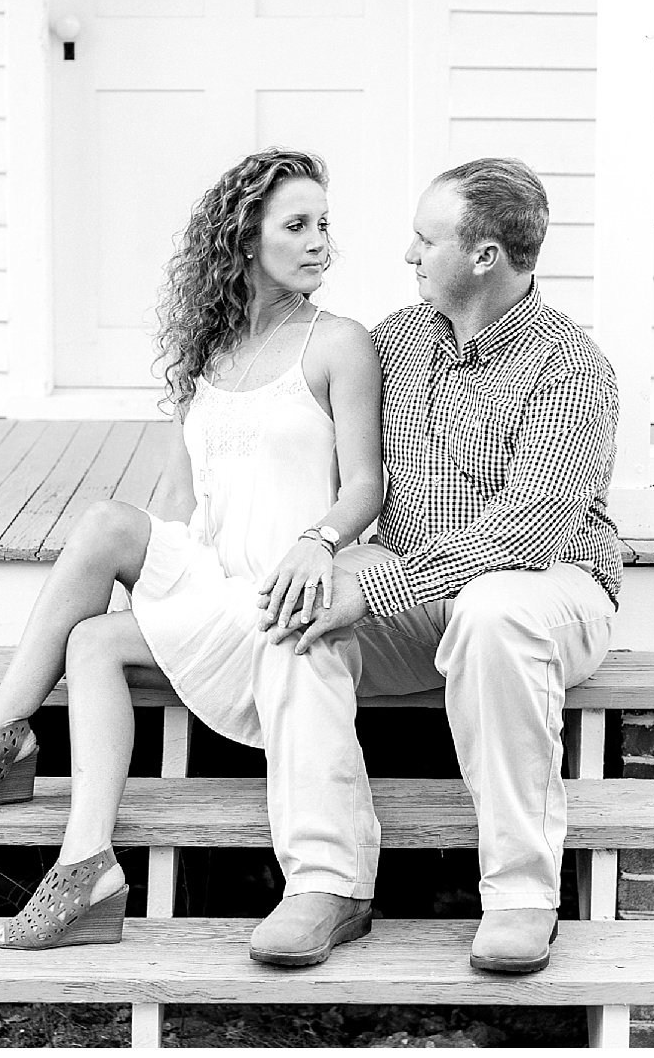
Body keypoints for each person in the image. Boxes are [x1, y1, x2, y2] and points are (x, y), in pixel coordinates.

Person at [0, 148, 384, 951]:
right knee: (102, 563)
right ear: (245, 240)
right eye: (298, 225)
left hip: (282, 594)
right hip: (211, 578)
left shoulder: (338, 342)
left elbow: (365, 486)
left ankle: (6, 751)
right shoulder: (209, 353)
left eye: (324, 225)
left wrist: (321, 540)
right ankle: (81, 856)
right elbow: (178, 500)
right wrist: (164, 602)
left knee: (94, 637)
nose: (321, 243)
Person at [250, 156, 622, 974]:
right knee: (296, 619)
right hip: (419, 588)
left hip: (551, 592)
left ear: (483, 255)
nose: (408, 253)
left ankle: (523, 896)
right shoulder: (395, 341)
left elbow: (525, 534)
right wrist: (320, 553)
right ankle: (329, 883)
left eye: (426, 238)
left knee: (492, 608)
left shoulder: (570, 366)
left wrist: (375, 579)